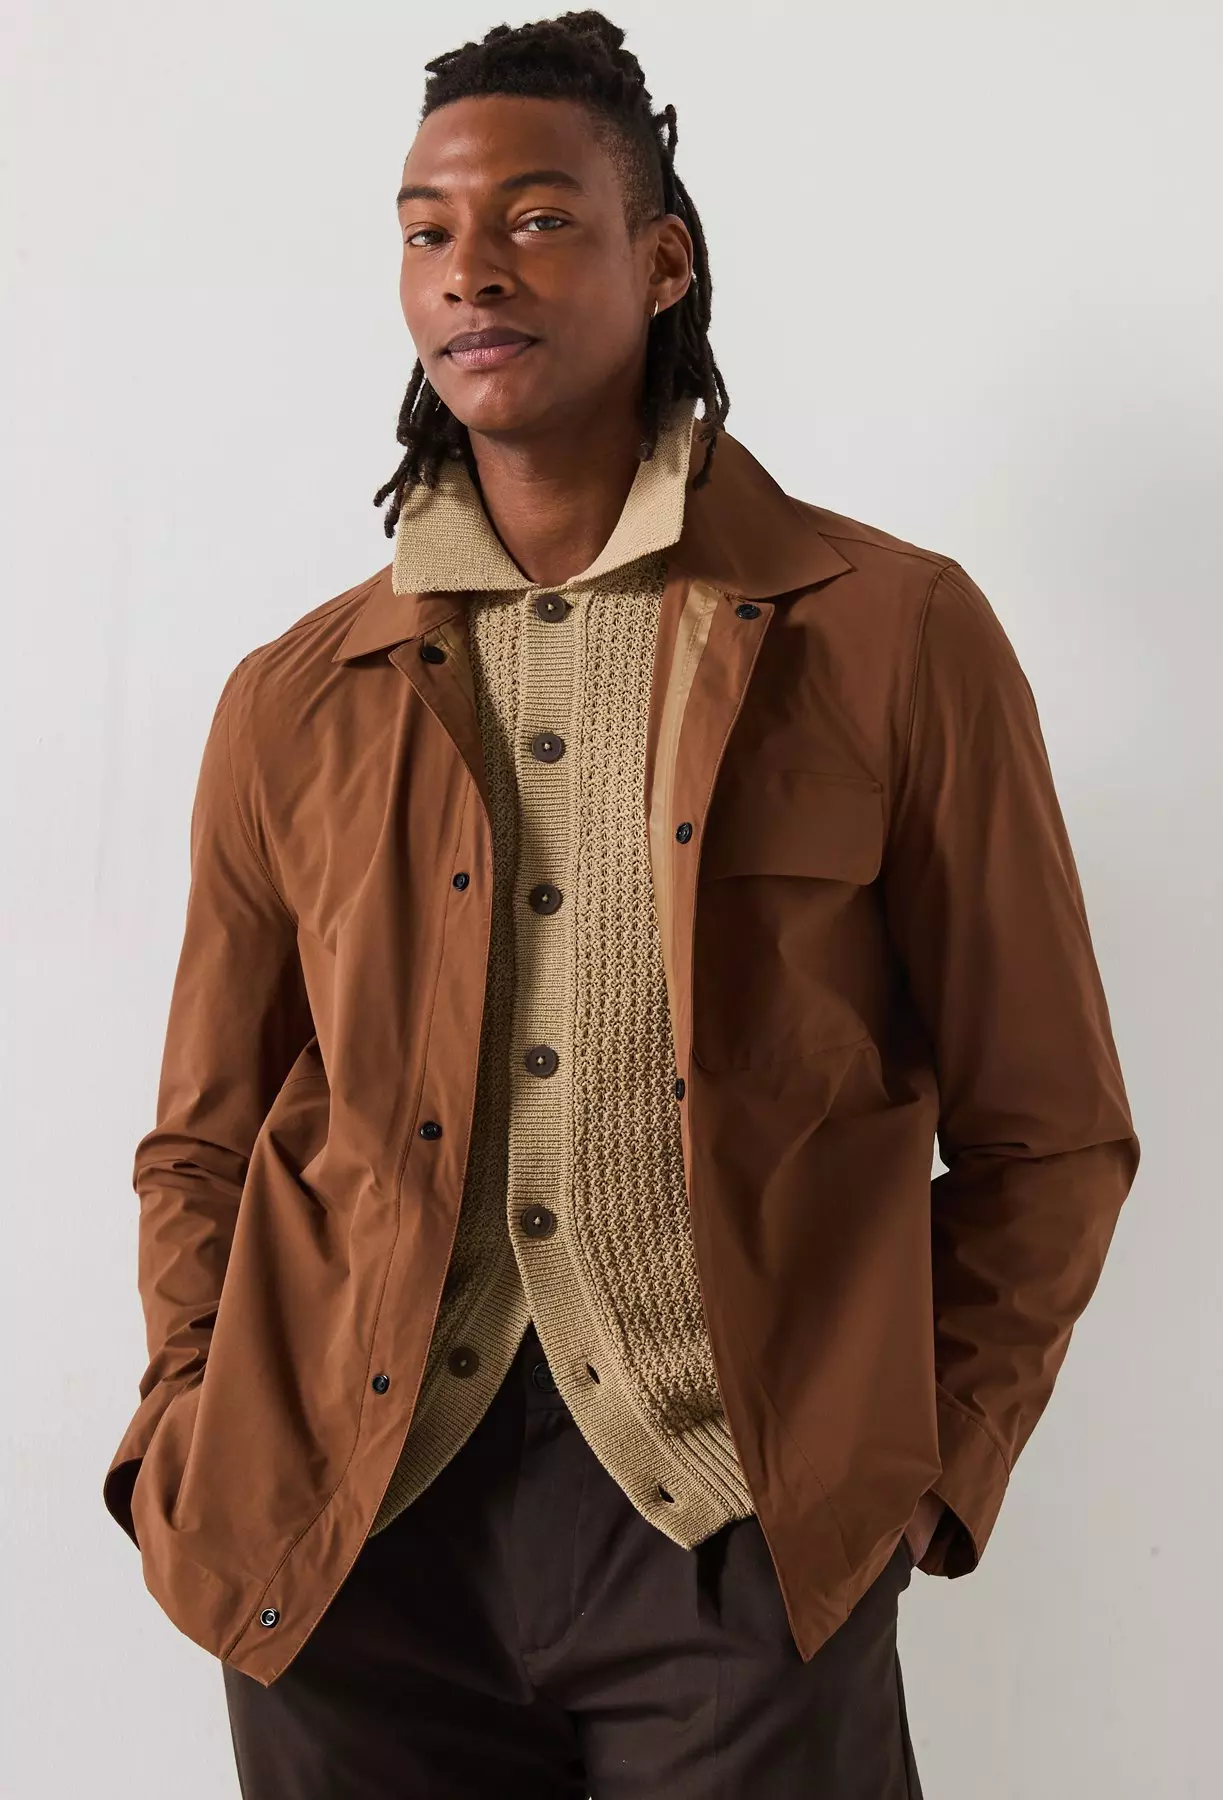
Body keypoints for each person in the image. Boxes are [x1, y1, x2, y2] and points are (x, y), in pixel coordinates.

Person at [102, 12, 1140, 1797]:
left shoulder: (891, 637)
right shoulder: (296, 696)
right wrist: (184, 1436)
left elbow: (1048, 1132)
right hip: (342, 1542)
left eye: (535, 218)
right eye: (426, 230)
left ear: (662, 262)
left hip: (734, 1532)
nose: (470, 271)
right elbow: (205, 1137)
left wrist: (916, 1470)